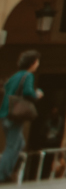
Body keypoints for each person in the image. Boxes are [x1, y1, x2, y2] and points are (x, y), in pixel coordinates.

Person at [0, 50, 42, 181]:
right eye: (37, 61)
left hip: (5, 114)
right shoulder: (28, 75)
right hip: (14, 115)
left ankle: (7, 171)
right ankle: (2, 174)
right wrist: (37, 95)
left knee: (19, 143)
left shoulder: (14, 76)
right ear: (33, 63)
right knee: (12, 146)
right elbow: (28, 92)